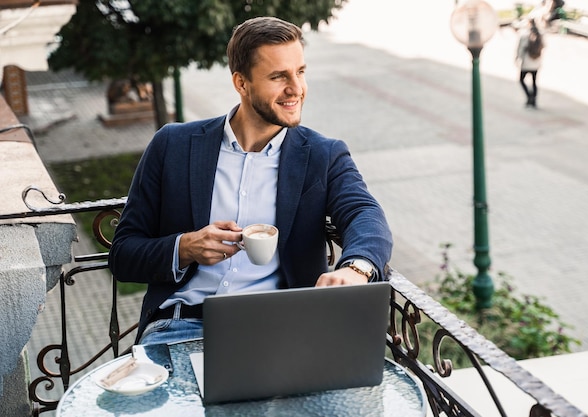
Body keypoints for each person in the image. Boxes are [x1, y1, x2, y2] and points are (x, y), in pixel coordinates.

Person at [108, 16, 393, 345]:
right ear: (241, 83)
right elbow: (124, 254)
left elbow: (366, 214)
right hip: (180, 326)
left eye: (300, 72)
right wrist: (185, 248)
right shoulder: (172, 144)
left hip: (280, 329)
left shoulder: (323, 154)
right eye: (278, 77)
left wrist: (355, 269)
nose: (296, 89)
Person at [516, 18, 544, 108]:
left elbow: (520, 49)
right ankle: (534, 100)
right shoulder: (540, 34)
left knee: (521, 80)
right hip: (536, 63)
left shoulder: (525, 35)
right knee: (534, 82)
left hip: (526, 63)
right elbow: (544, 46)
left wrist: (517, 58)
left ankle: (529, 96)